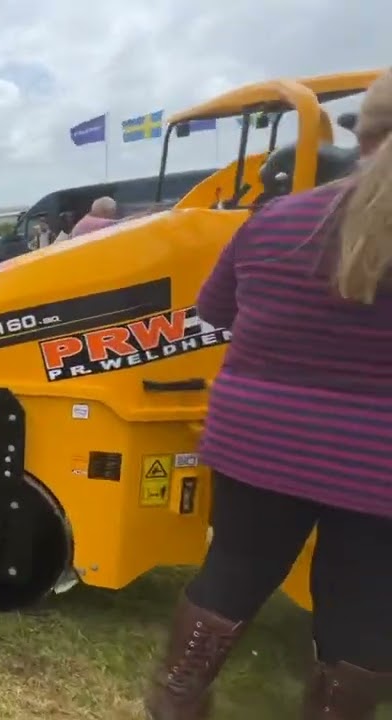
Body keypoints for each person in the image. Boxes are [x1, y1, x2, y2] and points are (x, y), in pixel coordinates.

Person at [144, 70, 392, 720]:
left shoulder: (280, 216)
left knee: (232, 571)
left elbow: (216, 310)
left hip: (256, 440)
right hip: (378, 463)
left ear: (362, 134)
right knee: (364, 601)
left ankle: (175, 703)